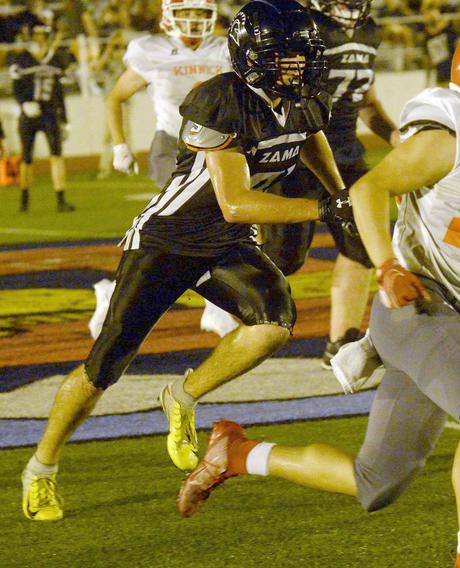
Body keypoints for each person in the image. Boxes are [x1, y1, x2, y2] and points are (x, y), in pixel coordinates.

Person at [177, 21, 460, 568]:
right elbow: (370, 189)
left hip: (452, 318)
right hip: (415, 305)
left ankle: (239, 454)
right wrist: (387, 268)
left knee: (377, 482)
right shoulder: (459, 129)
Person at [21, 0, 356, 521]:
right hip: (167, 239)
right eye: (283, 56)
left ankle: (182, 393)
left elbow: (309, 138)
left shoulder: (306, 98)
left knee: (273, 324)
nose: (296, 66)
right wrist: (328, 207)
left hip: (227, 242)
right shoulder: (222, 98)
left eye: (302, 56)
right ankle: (41, 467)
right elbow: (235, 201)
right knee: (103, 368)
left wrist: (340, 190)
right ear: (250, 55)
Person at [259, 0, 400, 368]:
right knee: (283, 259)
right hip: (296, 156)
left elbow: (365, 101)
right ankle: (231, 313)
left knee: (363, 245)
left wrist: (396, 135)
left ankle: (342, 341)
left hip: (347, 157)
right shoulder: (298, 25)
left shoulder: (370, 30)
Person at [89, 0, 235, 340]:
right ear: (169, 15)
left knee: (187, 231)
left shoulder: (223, 48)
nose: (195, 20)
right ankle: (215, 304)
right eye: (188, 12)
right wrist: (120, 145)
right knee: (209, 219)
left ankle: (114, 292)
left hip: (220, 147)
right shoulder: (151, 50)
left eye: (201, 13)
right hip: (173, 147)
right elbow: (115, 98)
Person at [9, 24, 75, 213]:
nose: (39, 39)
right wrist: (23, 104)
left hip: (50, 113)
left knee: (56, 155)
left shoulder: (56, 59)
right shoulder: (22, 59)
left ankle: (61, 198)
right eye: (37, 35)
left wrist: (65, 118)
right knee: (27, 157)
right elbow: (16, 87)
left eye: (42, 35)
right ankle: (24, 199)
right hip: (29, 114)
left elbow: (59, 92)